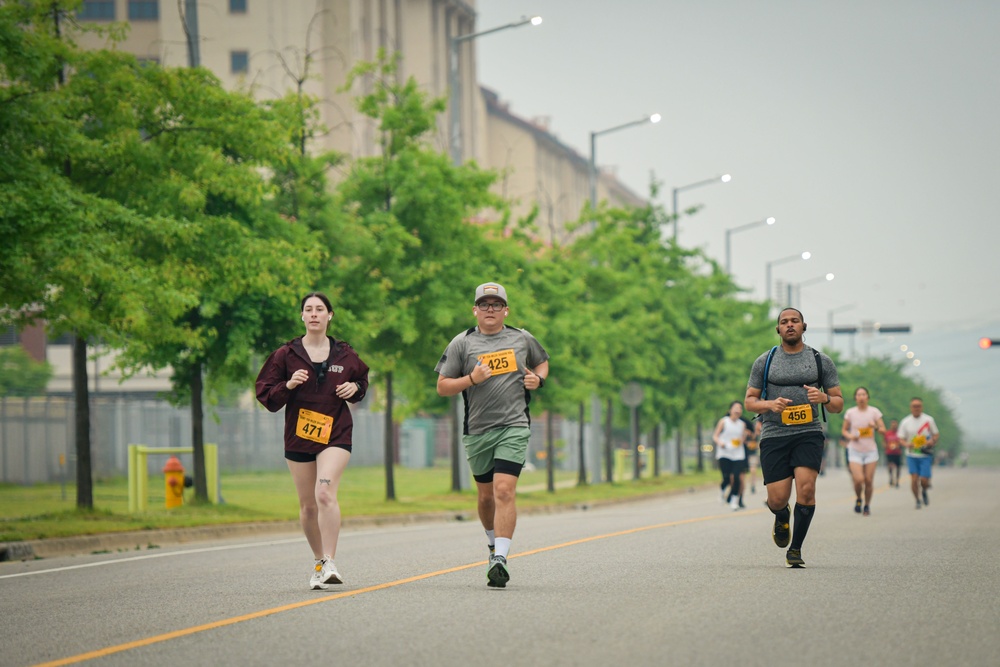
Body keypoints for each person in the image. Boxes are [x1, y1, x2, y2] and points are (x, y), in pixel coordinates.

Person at [435, 282, 549, 588]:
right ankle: (490, 544)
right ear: (474, 310)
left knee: (503, 491)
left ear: (506, 310)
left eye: (496, 305)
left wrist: (537, 379)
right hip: (477, 431)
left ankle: (500, 558)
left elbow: (542, 362)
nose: (490, 310)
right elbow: (443, 386)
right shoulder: (462, 343)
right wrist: (471, 378)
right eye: (484, 304)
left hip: (514, 426)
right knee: (486, 497)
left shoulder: (521, 338)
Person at [256, 292, 370, 590]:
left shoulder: (345, 354)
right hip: (299, 435)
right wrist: (288, 385)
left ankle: (330, 561)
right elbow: (266, 393)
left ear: (330, 315)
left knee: (324, 494)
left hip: (336, 432)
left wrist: (354, 388)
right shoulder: (286, 354)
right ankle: (319, 561)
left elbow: (362, 380)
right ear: (302, 317)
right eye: (309, 309)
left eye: (320, 309)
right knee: (308, 506)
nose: (315, 314)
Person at [745, 307, 843, 568]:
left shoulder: (820, 361)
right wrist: (769, 406)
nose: (790, 325)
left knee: (807, 489)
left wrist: (824, 398)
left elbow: (837, 404)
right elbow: (749, 402)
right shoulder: (764, 362)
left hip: (808, 432)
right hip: (775, 434)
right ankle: (781, 515)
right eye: (784, 322)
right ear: (778, 329)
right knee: (777, 498)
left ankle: (796, 549)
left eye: (795, 321)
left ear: (804, 326)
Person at [841, 387, 886, 516]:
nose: (861, 397)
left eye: (863, 394)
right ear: (855, 398)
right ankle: (858, 498)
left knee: (868, 480)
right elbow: (844, 430)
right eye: (858, 395)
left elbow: (883, 430)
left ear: (867, 397)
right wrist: (850, 437)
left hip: (870, 451)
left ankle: (867, 505)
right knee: (858, 479)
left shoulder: (874, 412)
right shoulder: (850, 412)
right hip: (855, 449)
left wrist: (875, 426)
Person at [896, 397, 940, 509]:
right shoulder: (905, 422)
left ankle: (924, 490)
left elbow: (936, 434)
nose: (916, 408)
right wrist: (906, 444)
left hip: (925, 454)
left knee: (924, 480)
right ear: (910, 408)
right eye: (914, 406)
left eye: (918, 406)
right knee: (914, 479)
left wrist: (932, 441)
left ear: (922, 407)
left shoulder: (929, 420)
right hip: (911, 454)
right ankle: (917, 500)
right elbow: (900, 438)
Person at [712, 401, 750, 511]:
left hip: (738, 454)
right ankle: (722, 491)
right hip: (724, 453)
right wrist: (720, 443)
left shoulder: (742, 424)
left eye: (740, 408)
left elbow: (742, 440)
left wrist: (744, 437)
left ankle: (734, 501)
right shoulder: (724, 422)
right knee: (726, 477)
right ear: (730, 410)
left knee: (737, 478)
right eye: (736, 408)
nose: (738, 410)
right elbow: (715, 436)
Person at [884, 419, 903, 488]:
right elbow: (884, 441)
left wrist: (898, 445)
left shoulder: (900, 433)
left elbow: (902, 441)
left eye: (895, 424)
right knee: (890, 466)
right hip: (889, 452)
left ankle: (897, 480)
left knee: (898, 467)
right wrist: (886, 446)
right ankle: (891, 478)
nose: (894, 426)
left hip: (897, 452)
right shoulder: (887, 433)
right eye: (892, 424)